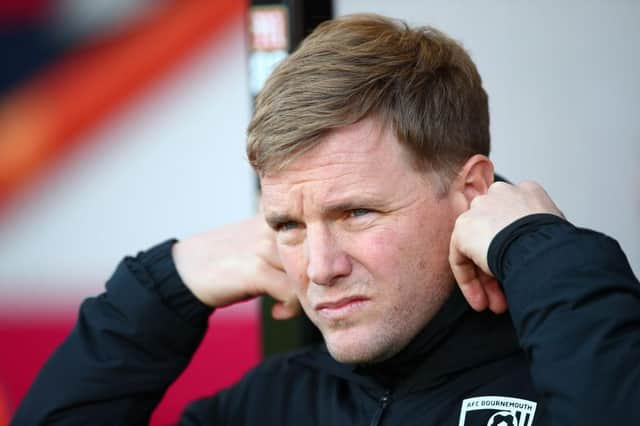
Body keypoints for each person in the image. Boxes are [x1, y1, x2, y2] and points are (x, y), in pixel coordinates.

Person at [12, 14, 640, 426]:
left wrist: (539, 250)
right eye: (287, 224)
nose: (320, 267)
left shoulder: (574, 374)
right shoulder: (270, 406)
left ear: (473, 193)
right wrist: (165, 285)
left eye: (357, 212)